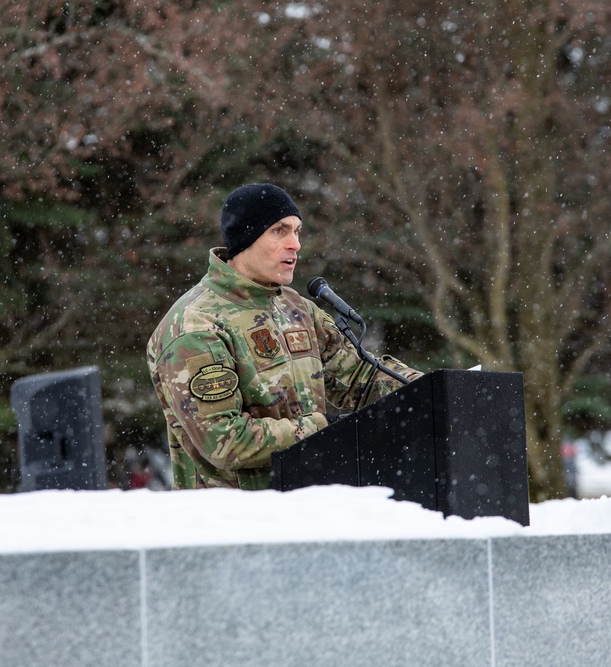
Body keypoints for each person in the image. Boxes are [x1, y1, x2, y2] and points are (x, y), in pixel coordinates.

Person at [147, 183, 423, 490]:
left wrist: (433, 389)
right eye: (280, 231)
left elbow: (360, 378)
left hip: (305, 508)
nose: (295, 244)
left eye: (297, 231)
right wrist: (322, 430)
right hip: (234, 524)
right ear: (245, 239)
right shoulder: (195, 325)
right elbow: (224, 440)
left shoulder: (297, 308)